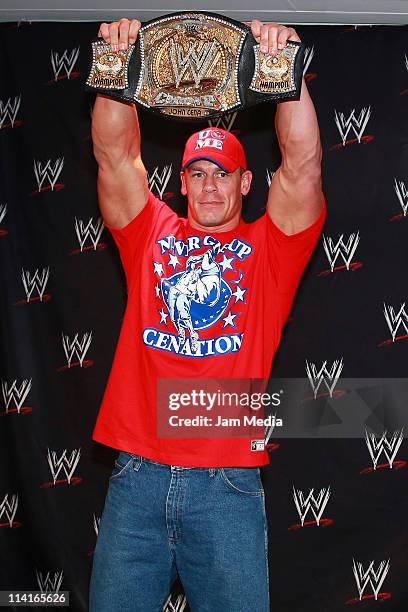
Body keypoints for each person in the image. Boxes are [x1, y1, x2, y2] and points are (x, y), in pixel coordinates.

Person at [88, 16, 326, 612]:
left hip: (226, 484)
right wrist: (115, 65)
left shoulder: (271, 251)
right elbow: (115, 157)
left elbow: (302, 168)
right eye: (199, 173)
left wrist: (287, 70)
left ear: (248, 182)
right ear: (182, 183)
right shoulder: (149, 233)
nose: (212, 186)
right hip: (137, 479)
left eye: (225, 174)